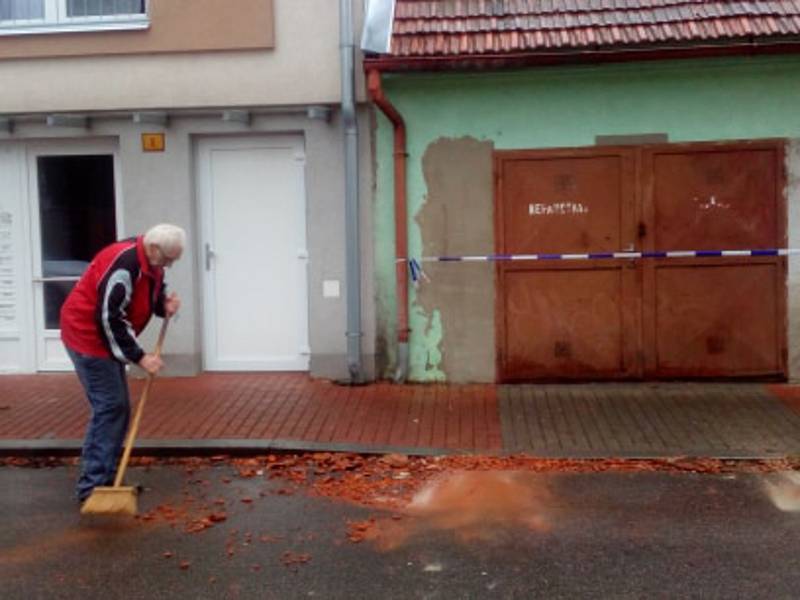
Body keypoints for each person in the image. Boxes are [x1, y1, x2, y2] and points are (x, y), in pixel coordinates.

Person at [60, 223, 185, 505]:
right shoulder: (123, 265)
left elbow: (152, 289)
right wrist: (140, 357)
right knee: (110, 408)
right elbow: (109, 318)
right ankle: (92, 486)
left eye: (173, 260)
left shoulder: (152, 260)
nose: (169, 265)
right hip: (87, 337)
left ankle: (106, 478)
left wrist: (162, 305)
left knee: (117, 408)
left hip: (106, 339)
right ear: (153, 248)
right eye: (168, 259)